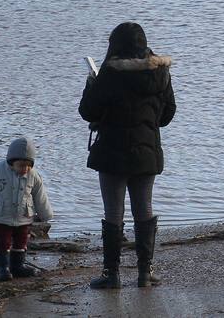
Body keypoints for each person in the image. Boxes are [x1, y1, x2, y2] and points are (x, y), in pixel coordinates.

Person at [79, 21, 176, 289]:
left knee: (114, 212)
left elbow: (88, 112)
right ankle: (146, 273)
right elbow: (167, 115)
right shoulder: (161, 72)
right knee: (144, 209)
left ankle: (112, 275)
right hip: (146, 153)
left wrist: (91, 83)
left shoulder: (108, 74)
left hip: (112, 153)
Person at [0, 137, 54, 282]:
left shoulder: (34, 176)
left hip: (23, 217)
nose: (24, 169)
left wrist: (46, 214)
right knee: (4, 241)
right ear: (11, 162)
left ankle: (17, 266)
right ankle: (2, 267)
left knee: (21, 241)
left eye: (28, 166)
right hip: (1, 216)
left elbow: (40, 195)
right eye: (21, 165)